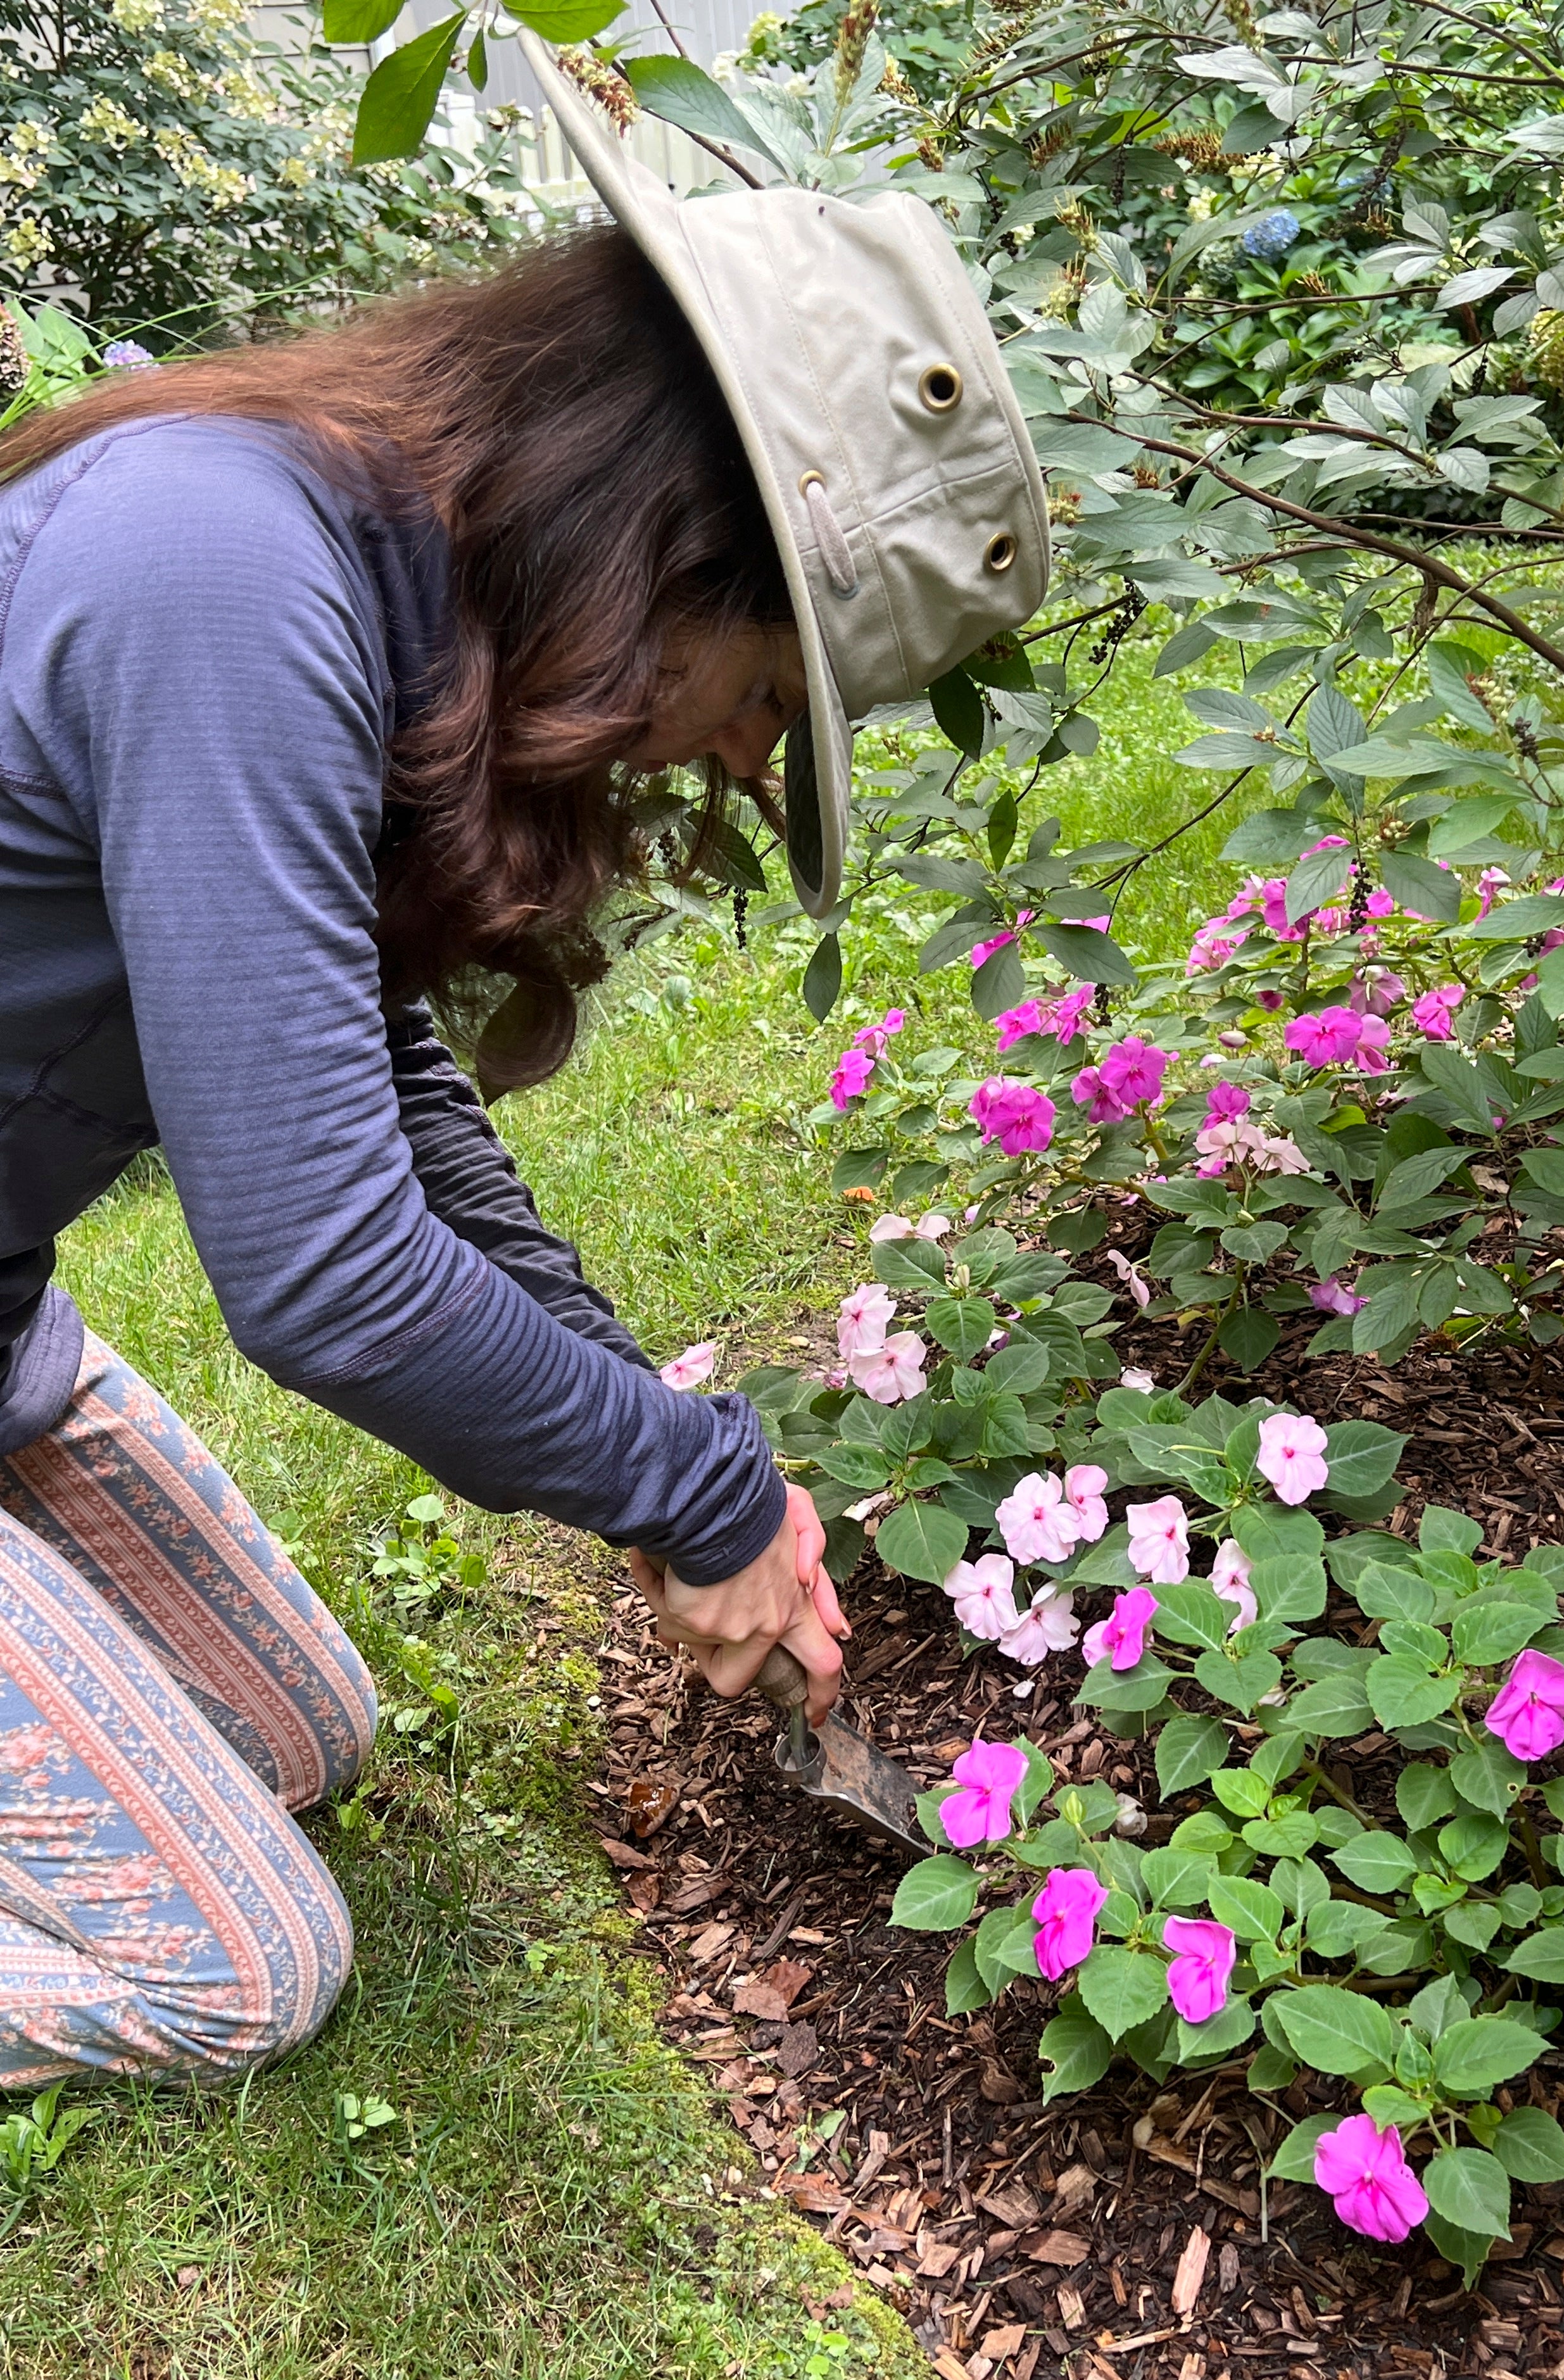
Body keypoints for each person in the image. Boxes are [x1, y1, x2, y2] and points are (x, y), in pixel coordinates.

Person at [0, 73, 1049, 2089]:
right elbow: (322, 1267)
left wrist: (635, 1405)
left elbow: (378, 1076)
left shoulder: (368, 595)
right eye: (766, 699)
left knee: (303, 1739)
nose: (740, 766)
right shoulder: (217, 572)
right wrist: (702, 1489)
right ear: (667, 544)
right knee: (241, 1968)